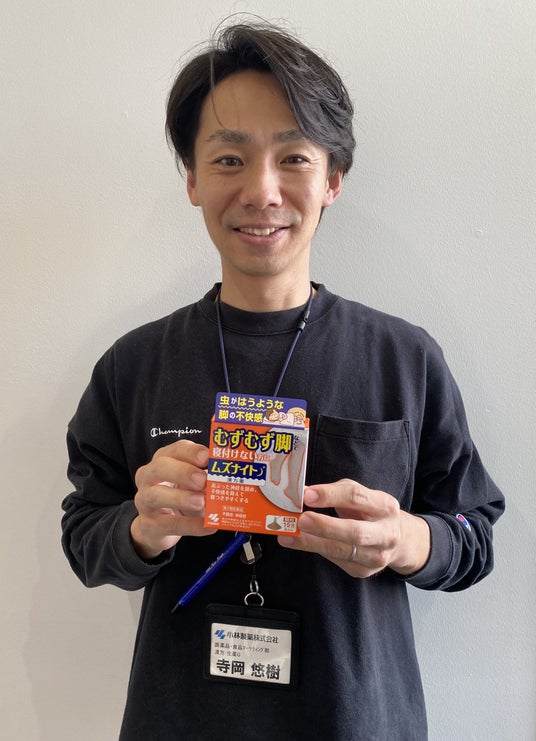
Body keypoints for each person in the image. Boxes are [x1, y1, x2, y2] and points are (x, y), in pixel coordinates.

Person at [61, 20, 505, 741]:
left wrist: (407, 540)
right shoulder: (132, 365)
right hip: (181, 721)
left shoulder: (404, 357)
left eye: (293, 157)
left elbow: (474, 531)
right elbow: (83, 534)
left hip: (358, 721)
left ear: (332, 179)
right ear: (193, 179)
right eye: (229, 158)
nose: (262, 190)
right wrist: (141, 529)